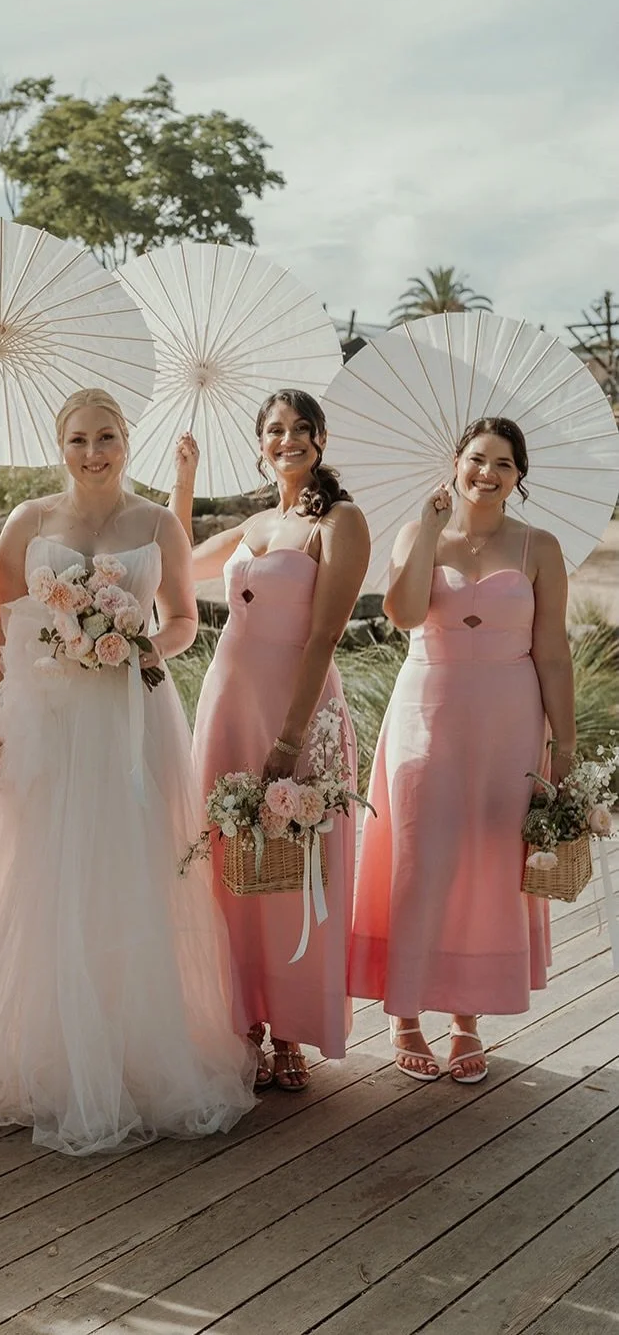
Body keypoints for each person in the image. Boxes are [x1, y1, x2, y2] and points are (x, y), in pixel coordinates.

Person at [0, 387, 256, 1154]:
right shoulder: (28, 522)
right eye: (79, 438)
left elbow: (183, 619)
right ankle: (42, 1052)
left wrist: (139, 643)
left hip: (129, 719)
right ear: (60, 445)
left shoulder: (157, 525)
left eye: (107, 437)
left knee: (130, 872)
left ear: (126, 441)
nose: (94, 451)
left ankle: (126, 1052)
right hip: (45, 720)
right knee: (42, 875)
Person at [349, 418, 573, 1083]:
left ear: (518, 477)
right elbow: (402, 613)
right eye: (476, 459)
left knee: (486, 858)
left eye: (502, 464)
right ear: (455, 462)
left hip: (508, 717)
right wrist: (423, 526)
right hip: (428, 709)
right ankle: (405, 1013)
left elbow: (553, 650)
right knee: (421, 852)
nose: (486, 473)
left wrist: (562, 739)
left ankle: (466, 1018)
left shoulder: (539, 546)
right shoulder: (416, 533)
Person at [171, 392, 370, 1088]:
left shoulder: (339, 522)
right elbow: (175, 567)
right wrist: (186, 482)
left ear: (319, 437)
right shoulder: (254, 522)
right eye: (274, 430)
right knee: (227, 869)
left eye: (299, 429)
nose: (287, 440)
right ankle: (240, 1024)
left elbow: (324, 634)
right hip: (227, 705)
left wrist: (290, 736)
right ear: (259, 443)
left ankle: (289, 1028)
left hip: (296, 709)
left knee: (294, 866)